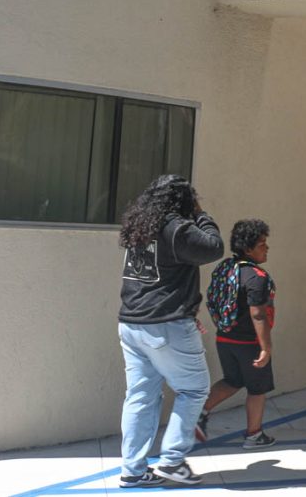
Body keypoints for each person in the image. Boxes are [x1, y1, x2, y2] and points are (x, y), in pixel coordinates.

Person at [117, 175, 224, 488]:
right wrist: (202, 214)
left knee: (140, 395)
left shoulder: (141, 228)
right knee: (194, 390)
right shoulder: (177, 227)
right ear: (184, 201)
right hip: (165, 325)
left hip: (132, 324)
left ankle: (133, 470)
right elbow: (213, 248)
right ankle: (173, 461)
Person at [196, 219, 277, 450]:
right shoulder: (256, 278)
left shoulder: (226, 268)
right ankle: (254, 435)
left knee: (233, 380)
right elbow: (258, 315)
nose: (267, 248)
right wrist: (265, 347)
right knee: (257, 389)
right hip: (249, 343)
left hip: (224, 339)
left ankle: (199, 412)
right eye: (262, 244)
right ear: (248, 248)